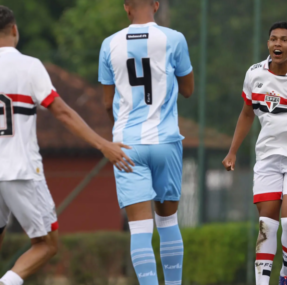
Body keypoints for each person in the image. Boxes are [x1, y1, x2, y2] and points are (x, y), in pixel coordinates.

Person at [0, 5, 133, 285]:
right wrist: (103, 144)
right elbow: (62, 112)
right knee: (46, 244)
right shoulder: (28, 65)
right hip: (20, 171)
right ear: (14, 30)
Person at [222, 21, 287, 285]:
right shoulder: (254, 74)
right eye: (273, 39)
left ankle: (286, 276)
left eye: (283, 40)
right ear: (268, 43)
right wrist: (232, 151)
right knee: (266, 224)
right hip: (268, 158)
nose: (277, 44)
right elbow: (247, 114)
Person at [98, 0, 194, 284]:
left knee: (140, 229)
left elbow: (107, 103)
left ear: (126, 7)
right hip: (166, 142)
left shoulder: (109, 44)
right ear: (156, 4)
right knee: (167, 223)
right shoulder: (174, 38)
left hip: (127, 147)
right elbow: (188, 90)